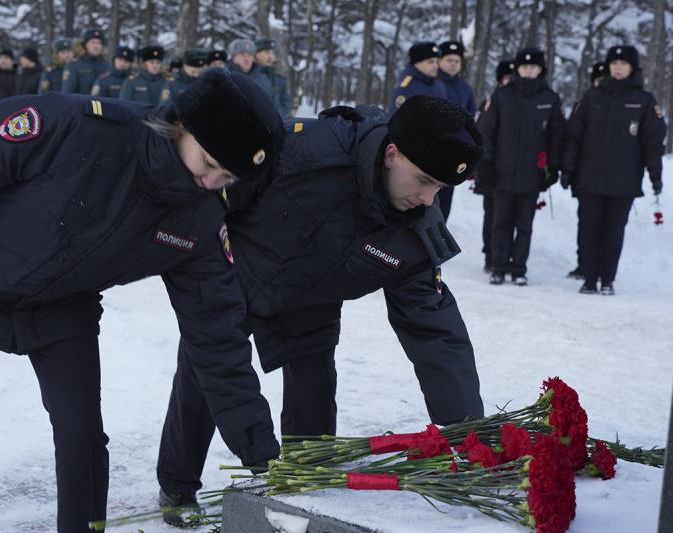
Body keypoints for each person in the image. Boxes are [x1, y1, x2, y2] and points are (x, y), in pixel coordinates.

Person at [0, 68, 284, 533]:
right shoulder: (75, 127)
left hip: (62, 306)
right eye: (209, 161)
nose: (210, 181)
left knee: (83, 441)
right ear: (182, 125)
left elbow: (217, 334)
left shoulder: (198, 220)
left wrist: (261, 453)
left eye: (227, 177)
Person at [157, 97, 486, 523]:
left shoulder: (417, 228)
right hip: (238, 278)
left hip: (314, 300)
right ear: (392, 154)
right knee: (203, 381)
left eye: (440, 189)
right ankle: (178, 486)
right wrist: (200, 272)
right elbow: (218, 195)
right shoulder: (306, 152)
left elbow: (435, 331)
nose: (427, 199)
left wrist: (470, 434)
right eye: (423, 180)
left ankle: (302, 493)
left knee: (313, 391)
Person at [561, 45, 666, 295]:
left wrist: (655, 176)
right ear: (608, 67)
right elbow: (574, 136)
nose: (618, 68)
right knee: (588, 230)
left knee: (613, 233)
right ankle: (588, 278)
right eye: (614, 63)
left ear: (632, 68)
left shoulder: (643, 101)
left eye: (624, 64)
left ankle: (607, 279)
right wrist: (567, 169)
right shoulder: (592, 97)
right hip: (589, 179)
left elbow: (652, 143)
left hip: (624, 182)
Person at [477, 48, 565, 286]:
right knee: (500, 223)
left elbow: (556, 137)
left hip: (532, 175)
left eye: (533, 67)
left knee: (524, 226)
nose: (528, 70)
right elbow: (487, 132)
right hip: (502, 173)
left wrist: (553, 167)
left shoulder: (550, 99)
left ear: (540, 70)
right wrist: (486, 164)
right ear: (517, 68)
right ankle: (498, 266)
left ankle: (518, 268)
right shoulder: (502, 96)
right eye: (524, 66)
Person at [565, 60, 608, 281]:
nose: (601, 83)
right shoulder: (586, 103)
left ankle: (602, 266)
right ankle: (585, 264)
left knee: (607, 228)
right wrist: (568, 171)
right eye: (598, 80)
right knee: (587, 225)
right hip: (586, 175)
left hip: (611, 177)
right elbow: (573, 140)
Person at [474, 60, 512, 273]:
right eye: (507, 78)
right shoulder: (491, 102)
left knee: (506, 217)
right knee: (492, 215)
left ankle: (504, 254)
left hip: (508, 171)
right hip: (490, 169)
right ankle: (490, 253)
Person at [435, 40, 476, 221]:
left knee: (443, 207)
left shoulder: (465, 88)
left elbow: (471, 118)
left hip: (452, 155)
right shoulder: (431, 82)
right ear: (440, 61)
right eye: (449, 60)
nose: (453, 64)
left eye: (456, 61)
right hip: (429, 150)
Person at [390, 41, 447, 111]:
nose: (436, 66)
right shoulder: (406, 88)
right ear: (417, 63)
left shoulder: (438, 83)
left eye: (437, 62)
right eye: (430, 62)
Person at [62, 29, 110, 94]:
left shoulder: (107, 66)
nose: (96, 46)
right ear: (86, 45)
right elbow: (68, 93)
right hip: (82, 103)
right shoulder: (74, 66)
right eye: (93, 42)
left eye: (99, 43)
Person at [254, 37, 291, 118]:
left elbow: (286, 102)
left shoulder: (280, 78)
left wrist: (278, 116)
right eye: (267, 52)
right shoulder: (250, 75)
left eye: (272, 53)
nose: (270, 56)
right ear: (257, 54)